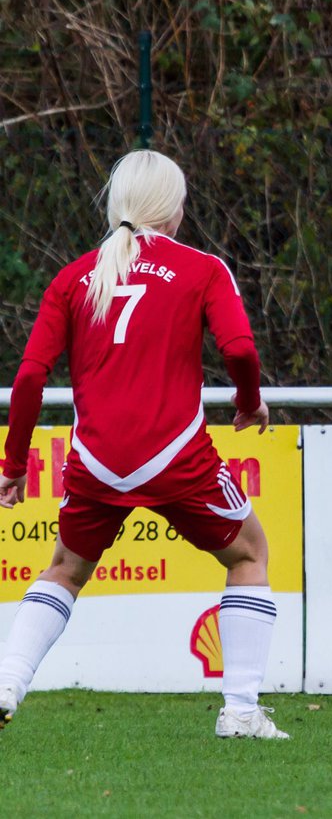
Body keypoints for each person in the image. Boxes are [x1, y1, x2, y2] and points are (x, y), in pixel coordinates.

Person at [0, 150, 287, 739]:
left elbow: (29, 377)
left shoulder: (75, 276)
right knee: (250, 553)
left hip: (97, 461)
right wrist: (248, 399)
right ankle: (239, 711)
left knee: (65, 570)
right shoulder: (203, 268)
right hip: (175, 456)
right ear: (174, 210)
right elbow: (239, 351)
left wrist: (13, 463)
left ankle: (7, 681)